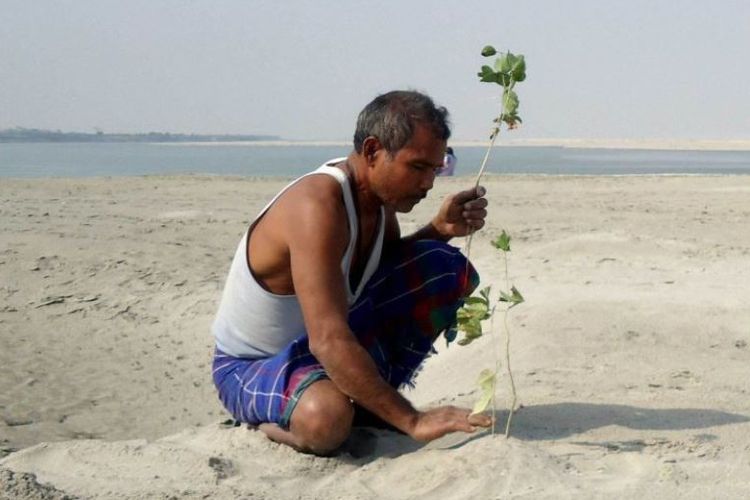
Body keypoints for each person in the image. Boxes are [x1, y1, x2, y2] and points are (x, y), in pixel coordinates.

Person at [211, 90, 491, 455]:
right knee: (326, 418)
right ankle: (273, 423)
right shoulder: (318, 206)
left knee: (442, 267)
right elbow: (327, 339)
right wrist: (412, 421)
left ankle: (366, 405)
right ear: (373, 151)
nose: (428, 184)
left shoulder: (377, 204)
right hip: (252, 366)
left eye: (435, 170)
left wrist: (439, 230)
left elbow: (380, 277)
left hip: (316, 354)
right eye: (418, 167)